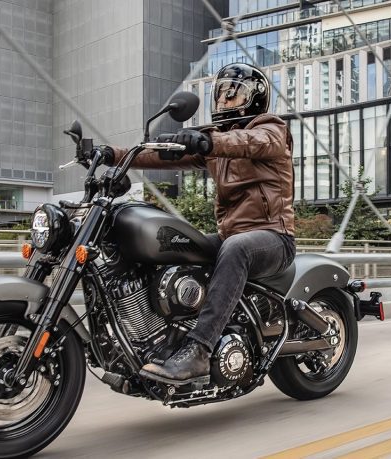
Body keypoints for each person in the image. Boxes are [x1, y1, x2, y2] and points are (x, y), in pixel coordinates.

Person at [107, 62, 295, 384]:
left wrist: (207, 141)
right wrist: (112, 154)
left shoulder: (271, 129)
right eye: (221, 93)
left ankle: (199, 352)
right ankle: (156, 338)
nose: (224, 100)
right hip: (229, 235)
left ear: (255, 100)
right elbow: (161, 155)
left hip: (272, 237)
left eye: (234, 95)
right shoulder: (218, 141)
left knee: (237, 248)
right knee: (169, 243)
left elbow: (252, 141)